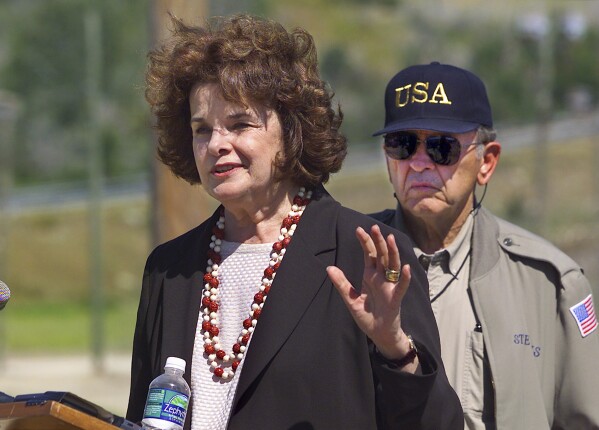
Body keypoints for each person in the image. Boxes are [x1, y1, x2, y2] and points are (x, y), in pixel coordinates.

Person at [126, 16, 463, 430]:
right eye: (202, 129)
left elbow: (437, 424)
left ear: (291, 130)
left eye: (239, 124)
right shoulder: (169, 269)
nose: (216, 144)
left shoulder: (366, 254)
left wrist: (395, 347)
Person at [370, 61, 599, 430]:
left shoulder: (550, 282)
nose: (418, 164)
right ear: (387, 156)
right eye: (403, 145)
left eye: (442, 148)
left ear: (486, 162)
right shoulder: (349, 262)